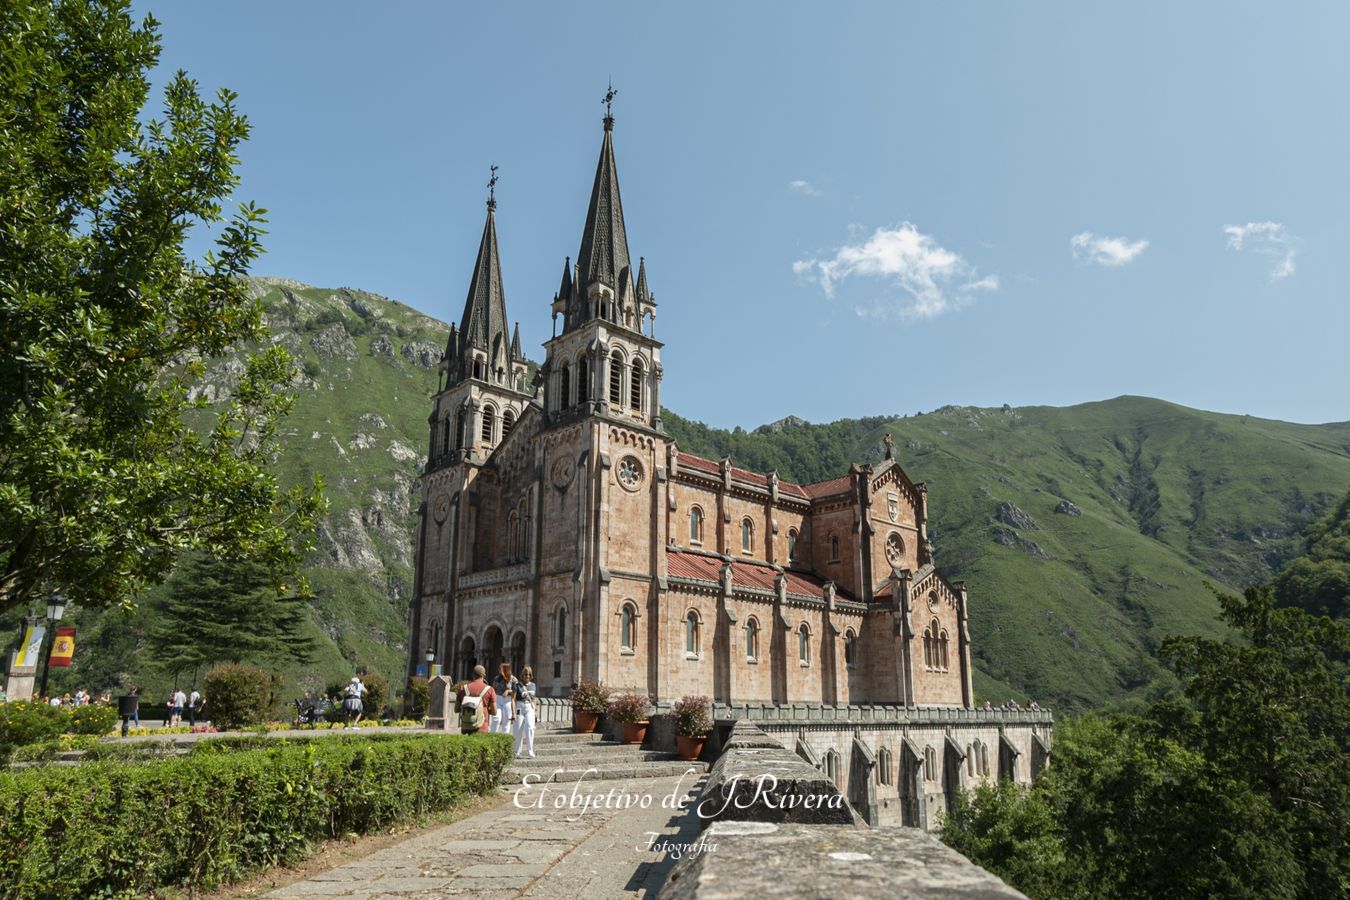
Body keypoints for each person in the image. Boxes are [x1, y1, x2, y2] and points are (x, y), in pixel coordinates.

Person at [455, 665, 496, 734]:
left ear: (473, 675)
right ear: (484, 675)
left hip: (466, 727)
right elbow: (494, 712)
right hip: (482, 727)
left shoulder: (463, 688)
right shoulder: (490, 690)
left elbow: (456, 709)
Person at [514, 666, 537, 759]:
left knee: (530, 728)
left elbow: (534, 698)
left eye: (529, 674)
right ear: (522, 675)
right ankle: (517, 752)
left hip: (529, 707)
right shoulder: (517, 685)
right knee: (518, 729)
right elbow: (513, 699)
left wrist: (535, 709)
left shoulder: (533, 685)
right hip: (519, 706)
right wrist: (513, 711)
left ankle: (530, 751)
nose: (527, 676)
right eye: (525, 674)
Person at [492, 663, 520, 736]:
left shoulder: (514, 680)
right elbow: (493, 689)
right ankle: (492, 737)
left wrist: (508, 691)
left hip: (507, 700)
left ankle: (505, 739)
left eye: (500, 669)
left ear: (505, 670)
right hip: (498, 699)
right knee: (496, 719)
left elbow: (515, 692)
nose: (499, 670)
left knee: (506, 721)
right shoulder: (497, 678)